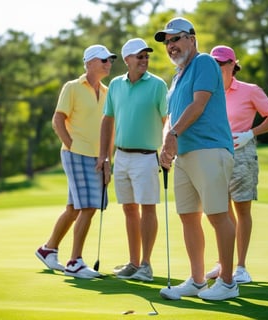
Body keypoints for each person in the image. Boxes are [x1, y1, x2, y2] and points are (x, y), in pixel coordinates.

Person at [154, 17, 238, 301]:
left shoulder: (204, 63)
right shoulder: (176, 77)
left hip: (210, 149)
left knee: (217, 215)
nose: (171, 46)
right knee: (188, 217)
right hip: (185, 154)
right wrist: (166, 143)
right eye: (167, 42)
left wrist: (173, 134)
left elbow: (198, 105)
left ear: (191, 38)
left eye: (175, 39)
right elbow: (172, 117)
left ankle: (227, 282)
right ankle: (197, 280)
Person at [35, 44, 117, 279]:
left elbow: (109, 128)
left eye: (110, 60)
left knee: (73, 208)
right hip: (76, 153)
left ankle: (48, 248)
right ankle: (75, 262)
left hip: (98, 156)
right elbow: (58, 120)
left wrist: (107, 158)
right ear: (89, 62)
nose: (108, 63)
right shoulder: (72, 87)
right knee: (88, 206)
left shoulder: (108, 91)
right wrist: (72, 145)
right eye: (103, 60)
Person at [205, 45, 268, 283]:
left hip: (243, 154)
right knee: (220, 210)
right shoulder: (208, 91)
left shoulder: (250, 91)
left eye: (221, 64)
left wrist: (251, 133)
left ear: (232, 65)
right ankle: (223, 263)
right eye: (213, 64)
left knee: (242, 209)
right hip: (215, 153)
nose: (217, 68)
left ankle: (241, 267)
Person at [97, 38, 168, 282]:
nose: (144, 60)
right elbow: (108, 120)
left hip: (147, 157)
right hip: (122, 157)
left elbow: (166, 119)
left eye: (146, 56)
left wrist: (169, 149)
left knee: (147, 208)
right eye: (139, 56)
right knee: (129, 209)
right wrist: (104, 157)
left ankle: (146, 265)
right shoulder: (116, 85)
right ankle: (134, 262)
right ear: (127, 59)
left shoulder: (157, 85)